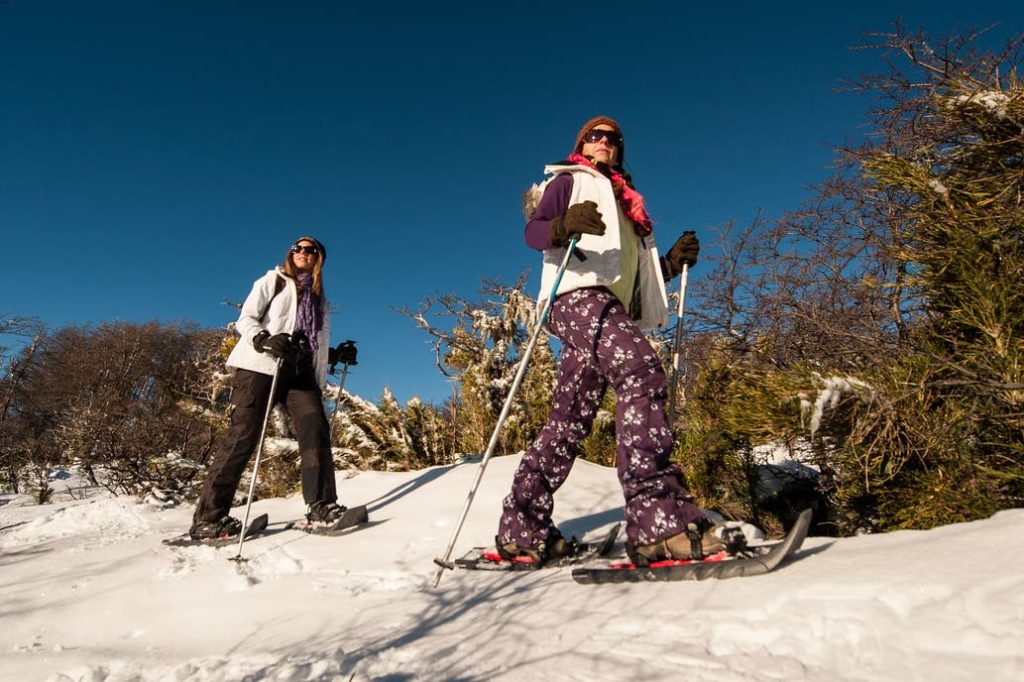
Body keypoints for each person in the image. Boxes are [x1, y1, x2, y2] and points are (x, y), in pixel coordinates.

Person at [496, 116, 724, 566]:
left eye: (614, 138)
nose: (605, 142)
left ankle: (522, 529)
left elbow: (629, 276)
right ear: (583, 143)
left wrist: (668, 264)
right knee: (640, 370)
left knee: (567, 423)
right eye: (596, 136)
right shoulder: (570, 180)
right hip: (574, 296)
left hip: (607, 306)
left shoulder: (629, 208)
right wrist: (562, 225)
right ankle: (657, 521)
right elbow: (534, 231)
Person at [190, 236, 356, 539]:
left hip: (300, 371)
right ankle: (209, 518)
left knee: (315, 429)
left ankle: (321, 504)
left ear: (319, 258)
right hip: (261, 366)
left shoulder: (319, 300)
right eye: (298, 248)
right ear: (291, 254)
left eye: (310, 250)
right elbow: (247, 318)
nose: (303, 252)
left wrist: (334, 355)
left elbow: (309, 341)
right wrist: (264, 339)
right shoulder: (275, 281)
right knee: (243, 435)